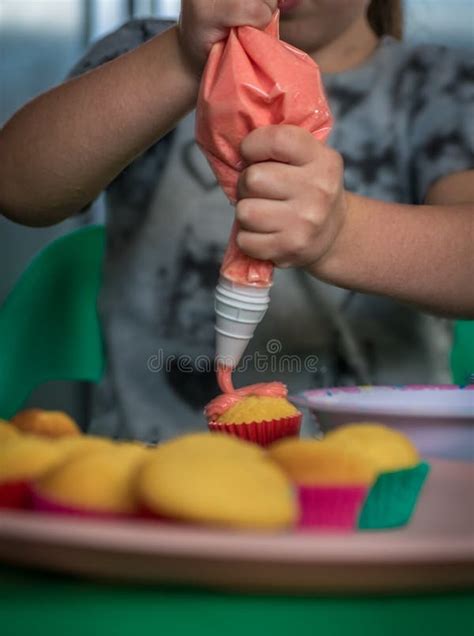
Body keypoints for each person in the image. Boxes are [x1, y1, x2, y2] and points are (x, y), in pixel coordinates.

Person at [0, 0, 472, 441]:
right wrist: (184, 58)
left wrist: (342, 235)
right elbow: (18, 187)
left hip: (379, 481)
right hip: (156, 473)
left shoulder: (436, 89)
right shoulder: (146, 54)